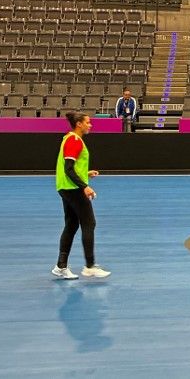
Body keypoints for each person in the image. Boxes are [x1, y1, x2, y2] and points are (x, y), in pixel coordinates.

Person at [51, 111, 110, 280]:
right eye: (88, 122)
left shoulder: (69, 139)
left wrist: (85, 173)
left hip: (65, 187)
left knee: (71, 225)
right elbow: (68, 169)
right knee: (89, 223)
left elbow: (73, 167)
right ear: (79, 124)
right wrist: (85, 186)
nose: (90, 125)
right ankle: (90, 266)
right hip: (73, 188)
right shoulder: (74, 141)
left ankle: (61, 266)